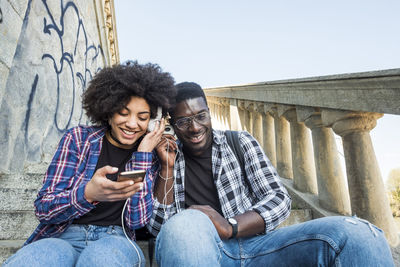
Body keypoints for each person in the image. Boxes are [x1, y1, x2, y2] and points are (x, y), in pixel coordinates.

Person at [149, 81, 394, 266]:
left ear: (209, 114)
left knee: (360, 233)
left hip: (259, 246)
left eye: (201, 116)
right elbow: (159, 228)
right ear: (172, 123)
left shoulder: (239, 142)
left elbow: (278, 198)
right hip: (198, 253)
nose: (194, 127)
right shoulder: (165, 158)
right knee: (185, 223)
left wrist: (230, 226)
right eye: (183, 121)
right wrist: (168, 167)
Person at [3, 61, 176, 267]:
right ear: (108, 111)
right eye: (123, 113)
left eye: (142, 117)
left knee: (101, 260)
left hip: (116, 239)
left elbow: (137, 221)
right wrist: (87, 194)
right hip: (63, 235)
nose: (132, 124)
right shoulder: (78, 139)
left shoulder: (149, 152)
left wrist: (142, 156)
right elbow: (44, 208)